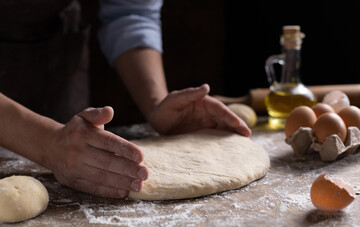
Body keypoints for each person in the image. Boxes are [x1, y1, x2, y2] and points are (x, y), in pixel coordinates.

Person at [0, 0, 251, 199]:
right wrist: (48, 143)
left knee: (79, 154)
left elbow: (130, 12)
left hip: (52, 54)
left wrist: (155, 104)